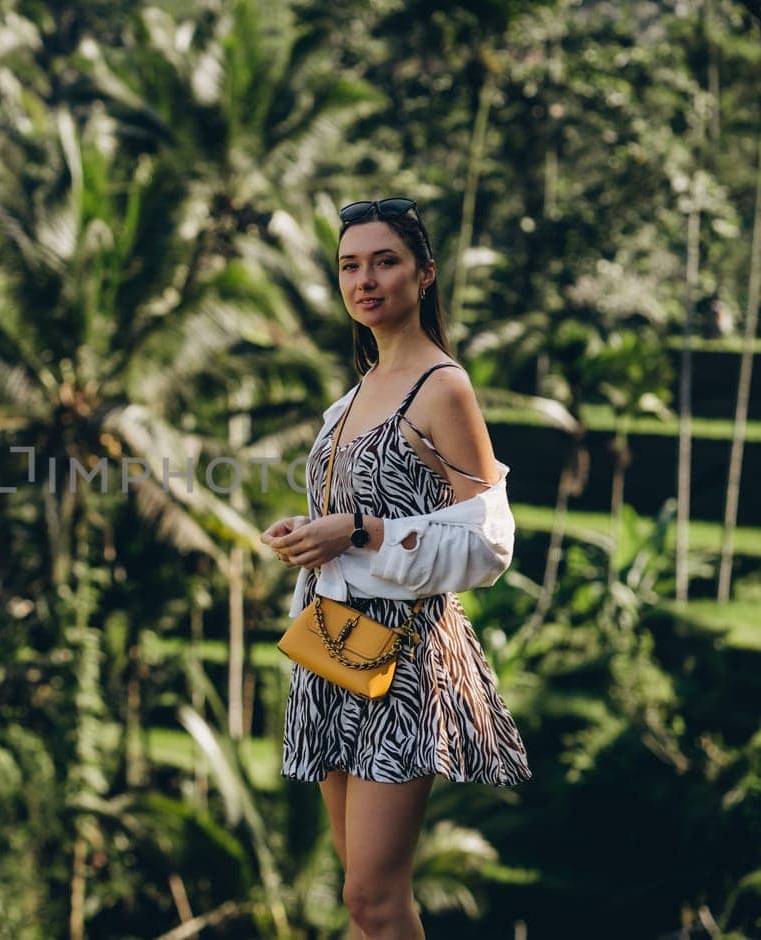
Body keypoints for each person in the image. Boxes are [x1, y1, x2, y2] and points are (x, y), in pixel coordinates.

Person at [260, 197, 531, 940]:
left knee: (376, 896)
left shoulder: (443, 386)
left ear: (424, 274)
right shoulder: (351, 397)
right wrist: (311, 536)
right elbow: (350, 520)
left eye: (384, 261)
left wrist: (361, 530)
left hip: (404, 656)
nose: (365, 279)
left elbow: (489, 542)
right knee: (361, 901)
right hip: (334, 645)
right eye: (351, 264)